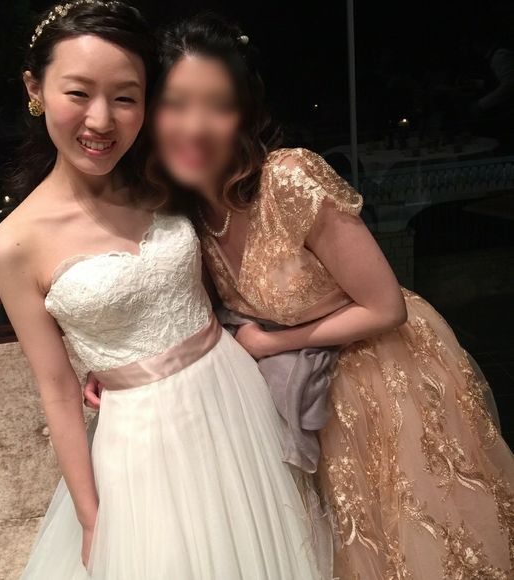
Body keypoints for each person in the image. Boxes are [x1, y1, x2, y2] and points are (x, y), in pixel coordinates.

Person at [82, 13, 514, 579]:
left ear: (244, 114)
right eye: (177, 104)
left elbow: (386, 307)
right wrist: (120, 365)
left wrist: (272, 342)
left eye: (218, 105)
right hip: (299, 396)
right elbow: (178, 307)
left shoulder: (288, 178)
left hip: (382, 375)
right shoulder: (184, 210)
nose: (196, 126)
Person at [0, 2, 333, 579]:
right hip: (141, 440)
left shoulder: (163, 178)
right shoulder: (13, 244)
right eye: (78, 93)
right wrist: (91, 519)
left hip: (236, 397)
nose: (102, 119)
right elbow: (57, 390)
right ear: (35, 89)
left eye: (125, 97)